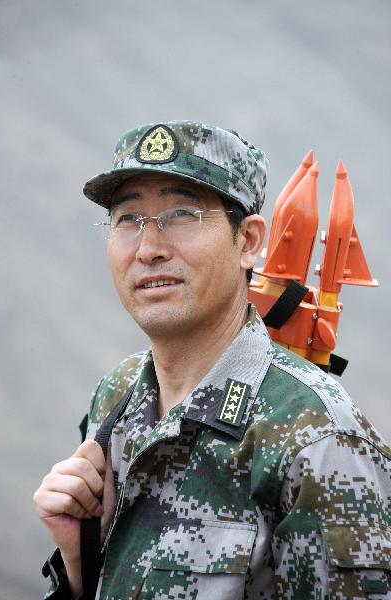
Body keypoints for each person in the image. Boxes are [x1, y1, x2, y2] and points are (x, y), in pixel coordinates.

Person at [34, 121, 391, 599]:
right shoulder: (118, 397)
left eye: (182, 214)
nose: (149, 249)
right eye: (128, 219)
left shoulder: (317, 437)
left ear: (248, 242)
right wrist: (80, 565)